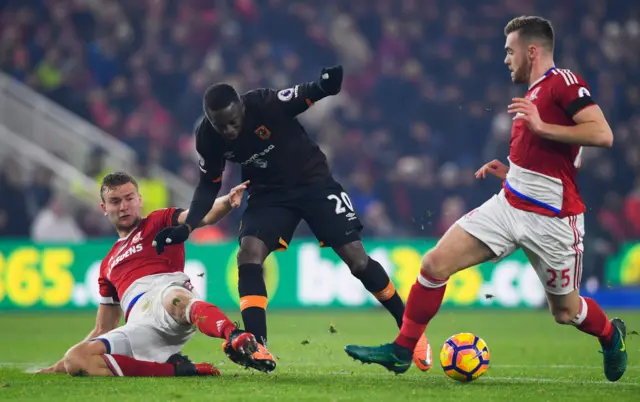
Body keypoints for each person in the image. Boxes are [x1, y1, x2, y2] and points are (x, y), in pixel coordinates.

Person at [344, 16, 628, 382]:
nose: (506, 59)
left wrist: (541, 126)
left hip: (553, 220)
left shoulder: (562, 81)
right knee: (433, 264)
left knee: (565, 311)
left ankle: (610, 336)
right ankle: (402, 350)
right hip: (509, 205)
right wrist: (513, 173)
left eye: (510, 52)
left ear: (531, 50)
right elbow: (549, 160)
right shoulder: (534, 92)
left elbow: (602, 134)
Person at [152, 66, 431, 373]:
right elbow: (208, 186)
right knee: (249, 252)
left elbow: (301, 96)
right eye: (222, 126)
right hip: (269, 195)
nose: (229, 130)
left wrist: (325, 86)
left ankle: (411, 335)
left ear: (242, 108)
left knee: (357, 260)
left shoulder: (262, 103)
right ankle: (257, 345)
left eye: (233, 122)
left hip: (313, 183)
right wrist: (187, 227)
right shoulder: (207, 137)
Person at [38, 172, 258, 377]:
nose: (124, 206)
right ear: (104, 207)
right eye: (116, 201)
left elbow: (200, 216)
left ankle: (234, 335)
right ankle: (177, 370)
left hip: (167, 297)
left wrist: (227, 201)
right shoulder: (107, 265)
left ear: (139, 200)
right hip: (139, 325)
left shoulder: (158, 221)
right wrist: (58, 366)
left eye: (129, 198)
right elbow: (104, 327)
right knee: (76, 359)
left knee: (175, 298)